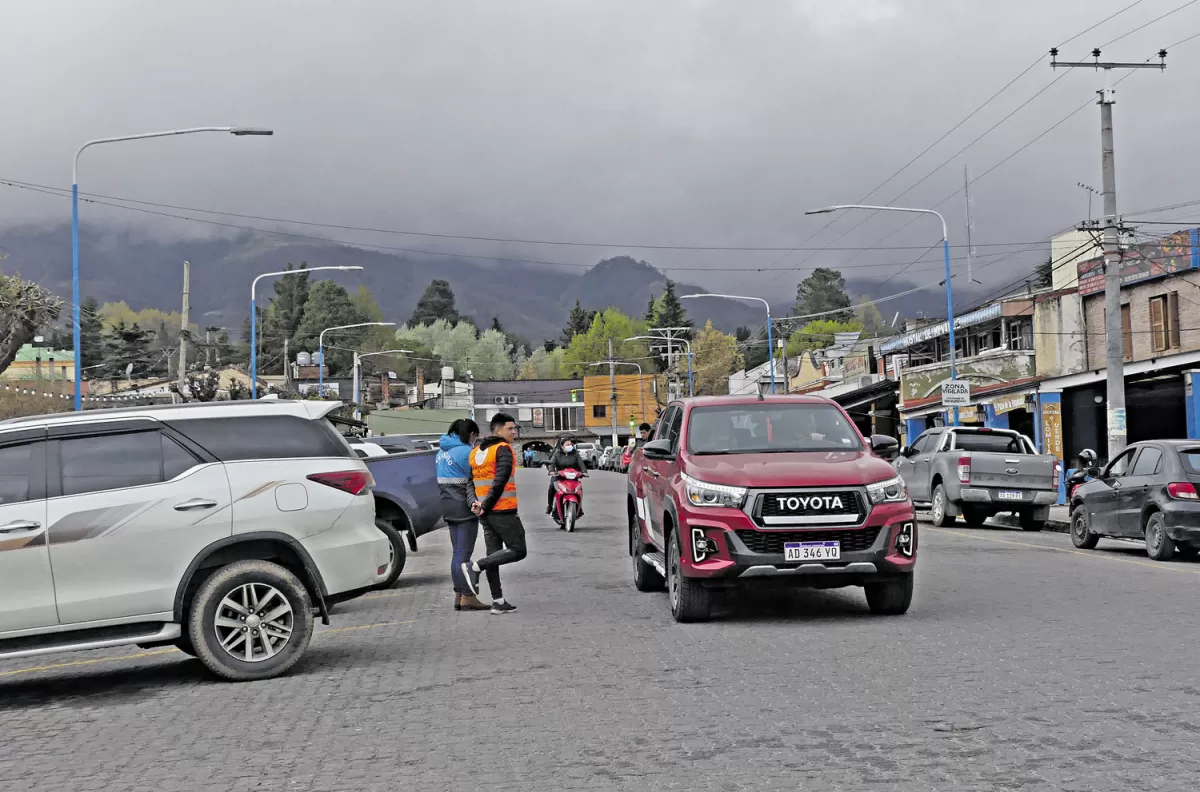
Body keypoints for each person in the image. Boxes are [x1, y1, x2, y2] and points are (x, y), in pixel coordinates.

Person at [462, 412, 525, 614]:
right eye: (510, 428)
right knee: (518, 550)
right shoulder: (503, 449)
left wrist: (475, 503)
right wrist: (486, 505)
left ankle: (498, 601)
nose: (514, 432)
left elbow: (470, 482)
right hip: (503, 510)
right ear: (497, 430)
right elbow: (500, 482)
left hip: (485, 513)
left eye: (515, 428)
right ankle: (475, 567)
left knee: (494, 555)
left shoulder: (475, 452)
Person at [436, 419, 489, 611]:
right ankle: (467, 595)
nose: (474, 439)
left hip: (447, 507)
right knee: (463, 555)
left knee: (457, 552)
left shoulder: (441, 452)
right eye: (474, 435)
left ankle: (458, 594)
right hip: (464, 508)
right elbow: (478, 475)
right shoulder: (466, 452)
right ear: (469, 433)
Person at [546, 435, 586, 516]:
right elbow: (552, 463)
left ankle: (579, 507)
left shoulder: (575, 454)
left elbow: (581, 463)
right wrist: (551, 471)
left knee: (579, 489)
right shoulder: (557, 454)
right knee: (552, 487)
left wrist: (584, 472)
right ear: (562, 446)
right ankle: (550, 506)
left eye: (570, 444)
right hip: (559, 475)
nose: (569, 446)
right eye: (567, 445)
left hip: (573, 476)